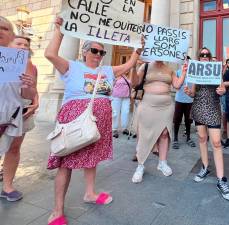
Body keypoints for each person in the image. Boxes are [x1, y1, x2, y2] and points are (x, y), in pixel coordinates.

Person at [44, 17, 141, 225]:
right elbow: (50, 54)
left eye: (102, 52)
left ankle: (90, 193)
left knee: (92, 158)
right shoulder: (72, 67)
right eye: (95, 51)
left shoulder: (107, 71)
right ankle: (57, 209)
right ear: (84, 52)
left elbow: (131, 63)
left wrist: (137, 47)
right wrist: (59, 30)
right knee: (65, 162)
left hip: (99, 122)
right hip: (75, 120)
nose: (98, 55)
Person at [184, 47, 229, 201]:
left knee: (217, 142)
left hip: (212, 107)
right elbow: (193, 92)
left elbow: (221, 89)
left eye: (207, 54)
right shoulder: (195, 70)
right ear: (199, 57)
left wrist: (222, 91)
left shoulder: (215, 70)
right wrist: (188, 92)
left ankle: (221, 180)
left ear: (210, 57)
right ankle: (205, 167)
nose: (204, 56)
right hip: (198, 106)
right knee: (202, 139)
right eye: (202, 54)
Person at [131, 56, 187, 183]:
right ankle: (140, 166)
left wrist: (183, 72)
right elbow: (134, 83)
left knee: (164, 134)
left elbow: (177, 85)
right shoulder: (145, 66)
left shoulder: (170, 69)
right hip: (147, 104)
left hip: (166, 106)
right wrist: (133, 66)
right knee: (144, 135)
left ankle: (162, 163)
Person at [0, 17, 36, 199]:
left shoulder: (24, 63)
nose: (0, 30)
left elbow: (28, 95)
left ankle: (7, 186)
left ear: (11, 35)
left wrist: (30, 86)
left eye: (4, 28)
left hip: (13, 114)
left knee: (13, 149)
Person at [172, 56, 196, 149]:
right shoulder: (178, 72)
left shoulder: (193, 73)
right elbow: (176, 86)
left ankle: (188, 138)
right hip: (179, 99)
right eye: (184, 61)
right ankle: (175, 139)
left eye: (188, 61)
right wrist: (183, 74)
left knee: (188, 120)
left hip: (189, 100)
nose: (186, 62)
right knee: (177, 119)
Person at [111, 70, 132, 138]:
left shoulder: (128, 77)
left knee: (126, 112)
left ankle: (124, 128)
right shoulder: (116, 76)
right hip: (116, 97)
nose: (125, 71)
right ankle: (114, 129)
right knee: (115, 113)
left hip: (126, 97)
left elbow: (131, 86)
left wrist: (130, 94)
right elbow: (111, 85)